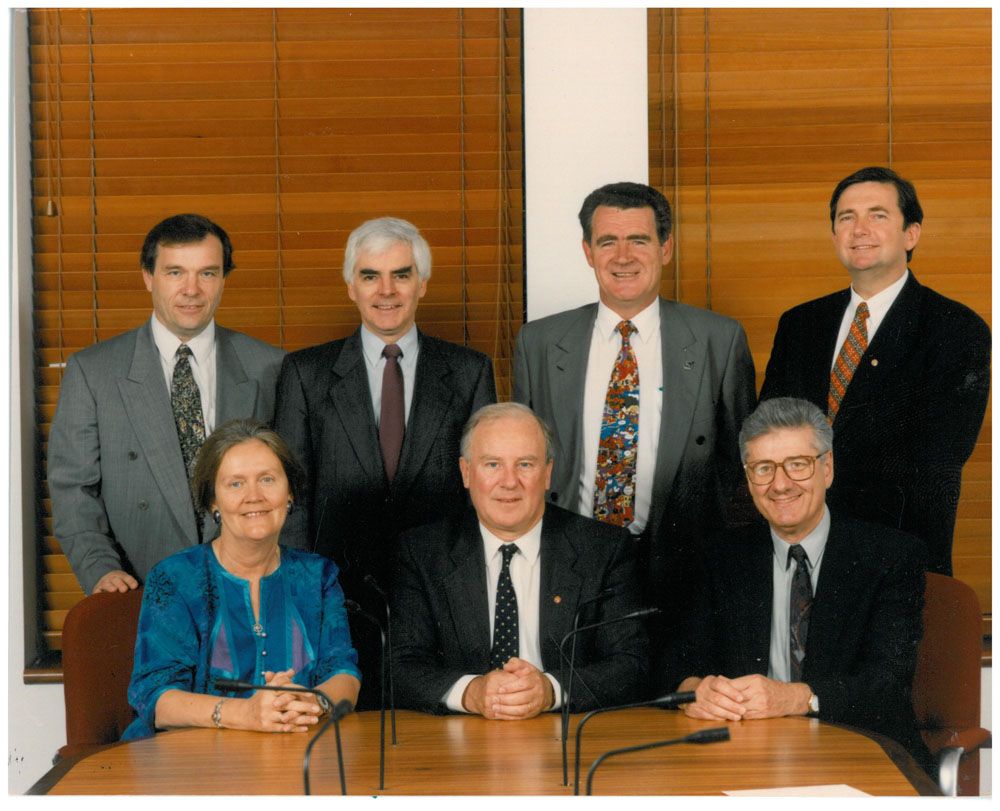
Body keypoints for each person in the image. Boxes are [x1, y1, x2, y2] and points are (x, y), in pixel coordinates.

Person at [274, 216, 496, 708]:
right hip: (338, 598)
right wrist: (301, 597)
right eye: (371, 275)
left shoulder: (469, 371)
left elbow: (483, 494)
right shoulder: (305, 373)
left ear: (422, 283)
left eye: (401, 274)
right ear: (351, 286)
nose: (386, 290)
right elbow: (291, 501)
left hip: (442, 600)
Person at [513, 181, 756, 616]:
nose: (623, 257)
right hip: (568, 561)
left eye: (639, 240)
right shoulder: (539, 343)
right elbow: (525, 458)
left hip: (682, 564)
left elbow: (739, 461)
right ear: (588, 252)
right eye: (608, 242)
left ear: (666, 248)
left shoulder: (719, 339)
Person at [659, 397, 930, 770]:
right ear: (748, 478)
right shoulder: (719, 557)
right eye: (763, 468)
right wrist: (693, 691)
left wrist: (796, 699)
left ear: (827, 469)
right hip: (747, 757)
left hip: (860, 753)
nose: (780, 485)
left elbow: (888, 685)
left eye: (797, 465)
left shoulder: (890, 556)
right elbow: (674, 663)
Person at [760, 166, 990, 576]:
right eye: (846, 217)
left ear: (911, 234)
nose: (859, 229)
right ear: (834, 234)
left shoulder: (955, 328)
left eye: (877, 215)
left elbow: (937, 458)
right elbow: (769, 431)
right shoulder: (800, 324)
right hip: (796, 546)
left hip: (895, 554)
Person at [48, 214, 286, 595]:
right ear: (148, 276)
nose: (192, 290)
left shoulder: (271, 366)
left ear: (223, 279)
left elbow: (293, 490)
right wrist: (101, 571)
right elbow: (73, 490)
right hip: (139, 593)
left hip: (252, 590)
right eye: (175, 273)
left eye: (207, 273)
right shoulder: (93, 372)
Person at [391, 402, 648, 719]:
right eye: (492, 464)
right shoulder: (423, 552)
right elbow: (400, 667)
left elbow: (631, 664)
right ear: (466, 472)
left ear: (547, 473)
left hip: (566, 730)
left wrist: (551, 690)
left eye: (525, 464)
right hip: (462, 733)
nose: (509, 481)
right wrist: (471, 693)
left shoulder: (603, 548)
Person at [123, 419, 361, 738]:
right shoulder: (176, 578)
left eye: (267, 479)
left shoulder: (318, 576)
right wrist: (246, 714)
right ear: (213, 501)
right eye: (236, 484)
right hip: (187, 757)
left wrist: (311, 702)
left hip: (291, 752)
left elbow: (344, 674)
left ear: (289, 493)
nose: (254, 496)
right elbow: (156, 698)